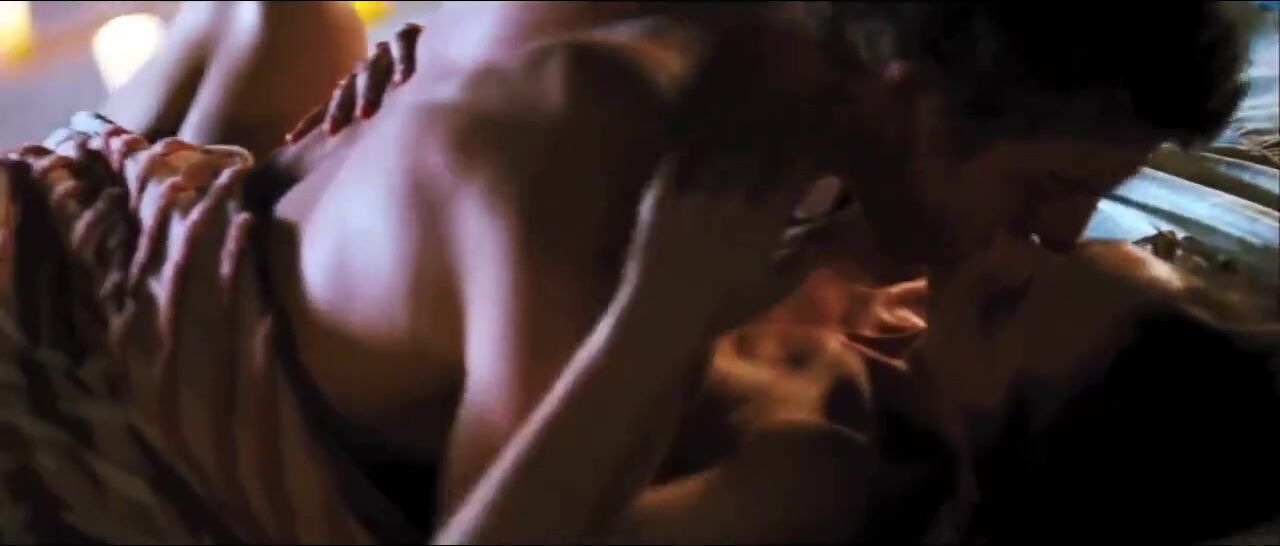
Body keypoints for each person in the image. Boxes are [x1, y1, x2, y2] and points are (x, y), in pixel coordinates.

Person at [1, 1, 1264, 543]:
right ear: (920, 108)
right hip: (100, 376)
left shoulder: (762, 89)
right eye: (1042, 191)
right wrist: (659, 310)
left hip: (144, 227)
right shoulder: (604, 171)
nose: (1054, 233)